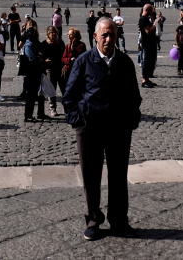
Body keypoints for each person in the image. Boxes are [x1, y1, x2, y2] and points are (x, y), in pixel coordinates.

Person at [61, 17, 142, 241]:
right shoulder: (84, 61)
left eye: (112, 34)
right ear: (95, 36)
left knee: (118, 176)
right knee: (90, 177)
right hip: (90, 128)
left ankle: (119, 220)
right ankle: (93, 220)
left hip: (119, 128)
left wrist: (131, 120)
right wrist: (78, 121)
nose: (108, 39)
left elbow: (134, 96)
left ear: (117, 37)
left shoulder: (125, 62)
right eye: (104, 35)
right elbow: (69, 95)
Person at [22, 26, 49, 122]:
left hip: (37, 72)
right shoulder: (29, 44)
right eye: (35, 34)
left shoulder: (36, 43)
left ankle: (39, 113)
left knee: (36, 94)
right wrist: (42, 59)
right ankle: (28, 116)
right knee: (30, 95)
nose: (37, 35)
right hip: (31, 73)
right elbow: (32, 58)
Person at [40, 26, 65, 116]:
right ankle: (52, 108)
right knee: (51, 89)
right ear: (48, 34)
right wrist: (44, 60)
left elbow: (64, 54)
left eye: (55, 32)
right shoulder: (44, 44)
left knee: (64, 88)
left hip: (61, 69)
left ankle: (67, 107)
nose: (54, 34)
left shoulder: (61, 42)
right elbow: (40, 55)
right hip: (50, 69)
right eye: (51, 32)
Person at [138, 4, 157, 88]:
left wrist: (152, 19)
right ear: (147, 10)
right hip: (147, 44)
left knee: (149, 61)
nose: (152, 11)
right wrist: (155, 24)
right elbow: (148, 31)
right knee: (146, 61)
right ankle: (144, 80)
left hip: (150, 43)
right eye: (151, 10)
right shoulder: (143, 19)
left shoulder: (146, 18)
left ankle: (147, 79)